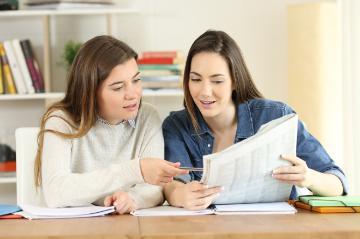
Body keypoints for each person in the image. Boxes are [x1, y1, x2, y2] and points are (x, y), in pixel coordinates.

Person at [162, 30, 348, 210]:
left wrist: (309, 177)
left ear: (235, 80)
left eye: (217, 81)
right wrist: (180, 195)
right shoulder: (177, 126)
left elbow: (338, 183)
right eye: (196, 79)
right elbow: (173, 184)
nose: (204, 91)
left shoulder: (277, 116)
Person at [34, 35, 188, 214]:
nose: (133, 94)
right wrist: (133, 170)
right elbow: (56, 193)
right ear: (90, 91)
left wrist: (132, 199)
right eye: (118, 87)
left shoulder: (147, 116)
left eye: (136, 80)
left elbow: (155, 187)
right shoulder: (61, 121)